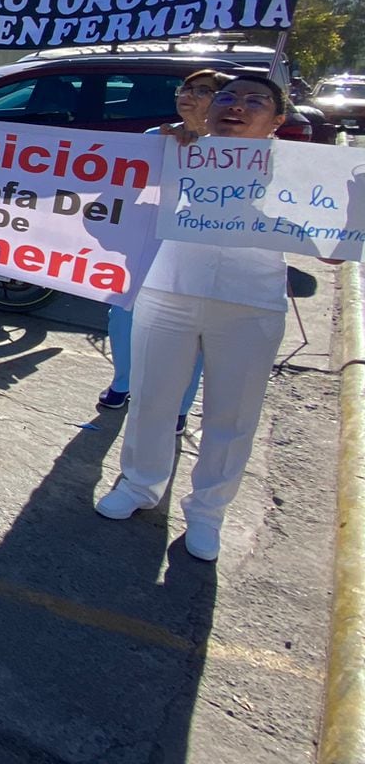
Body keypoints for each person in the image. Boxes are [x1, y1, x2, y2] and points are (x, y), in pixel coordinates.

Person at [96, 76, 315, 563]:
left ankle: (208, 511)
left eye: (254, 101)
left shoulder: (300, 171)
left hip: (250, 303)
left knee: (230, 415)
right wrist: (168, 146)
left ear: (277, 121)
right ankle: (139, 485)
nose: (237, 107)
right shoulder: (173, 148)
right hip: (168, 289)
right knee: (152, 399)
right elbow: (112, 202)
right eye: (228, 97)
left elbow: (333, 251)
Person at [97, 69, 226, 430]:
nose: (189, 94)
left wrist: (203, 145)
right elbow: (128, 191)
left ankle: (180, 405)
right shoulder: (157, 137)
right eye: (186, 88)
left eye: (203, 91)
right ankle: (124, 382)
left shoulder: (233, 149)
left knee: (191, 334)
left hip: (201, 257)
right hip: (147, 250)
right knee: (123, 319)